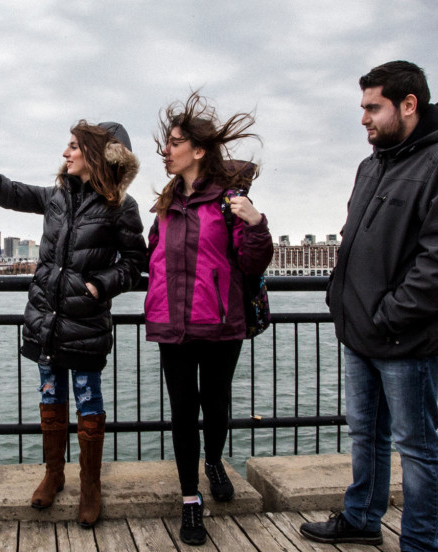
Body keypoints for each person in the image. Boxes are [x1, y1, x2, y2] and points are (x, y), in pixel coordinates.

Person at [299, 61, 438, 551]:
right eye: (362, 107)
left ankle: (419, 545)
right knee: (366, 436)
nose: (363, 118)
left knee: (418, 449)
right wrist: (343, 303)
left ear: (409, 105)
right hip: (360, 333)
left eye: (372, 107)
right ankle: (362, 518)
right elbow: (353, 242)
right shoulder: (373, 164)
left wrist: (391, 315)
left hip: (409, 339)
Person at [0, 120, 146, 528]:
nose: (65, 153)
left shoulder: (121, 208)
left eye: (74, 146)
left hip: (86, 324)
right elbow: (8, 191)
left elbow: (135, 265)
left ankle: (90, 486)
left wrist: (99, 286)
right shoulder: (57, 197)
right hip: (47, 322)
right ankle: (54, 474)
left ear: (96, 155)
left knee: (88, 401)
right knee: (50, 398)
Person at [144, 92, 273, 546]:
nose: (166, 150)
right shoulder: (164, 205)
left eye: (174, 143)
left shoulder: (231, 201)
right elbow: (153, 259)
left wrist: (256, 223)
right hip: (171, 324)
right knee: (182, 410)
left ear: (198, 150)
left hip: (219, 322)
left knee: (215, 402)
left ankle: (215, 461)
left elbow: (254, 263)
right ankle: (190, 499)